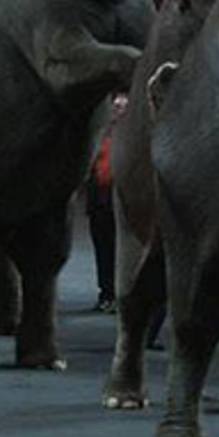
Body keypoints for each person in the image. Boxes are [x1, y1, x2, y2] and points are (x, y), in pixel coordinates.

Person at [86, 94, 127, 313]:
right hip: (100, 204)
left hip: (123, 206)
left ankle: (123, 296)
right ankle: (107, 294)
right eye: (116, 107)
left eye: (122, 108)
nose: (118, 111)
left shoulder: (133, 139)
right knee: (103, 251)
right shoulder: (100, 137)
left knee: (123, 253)